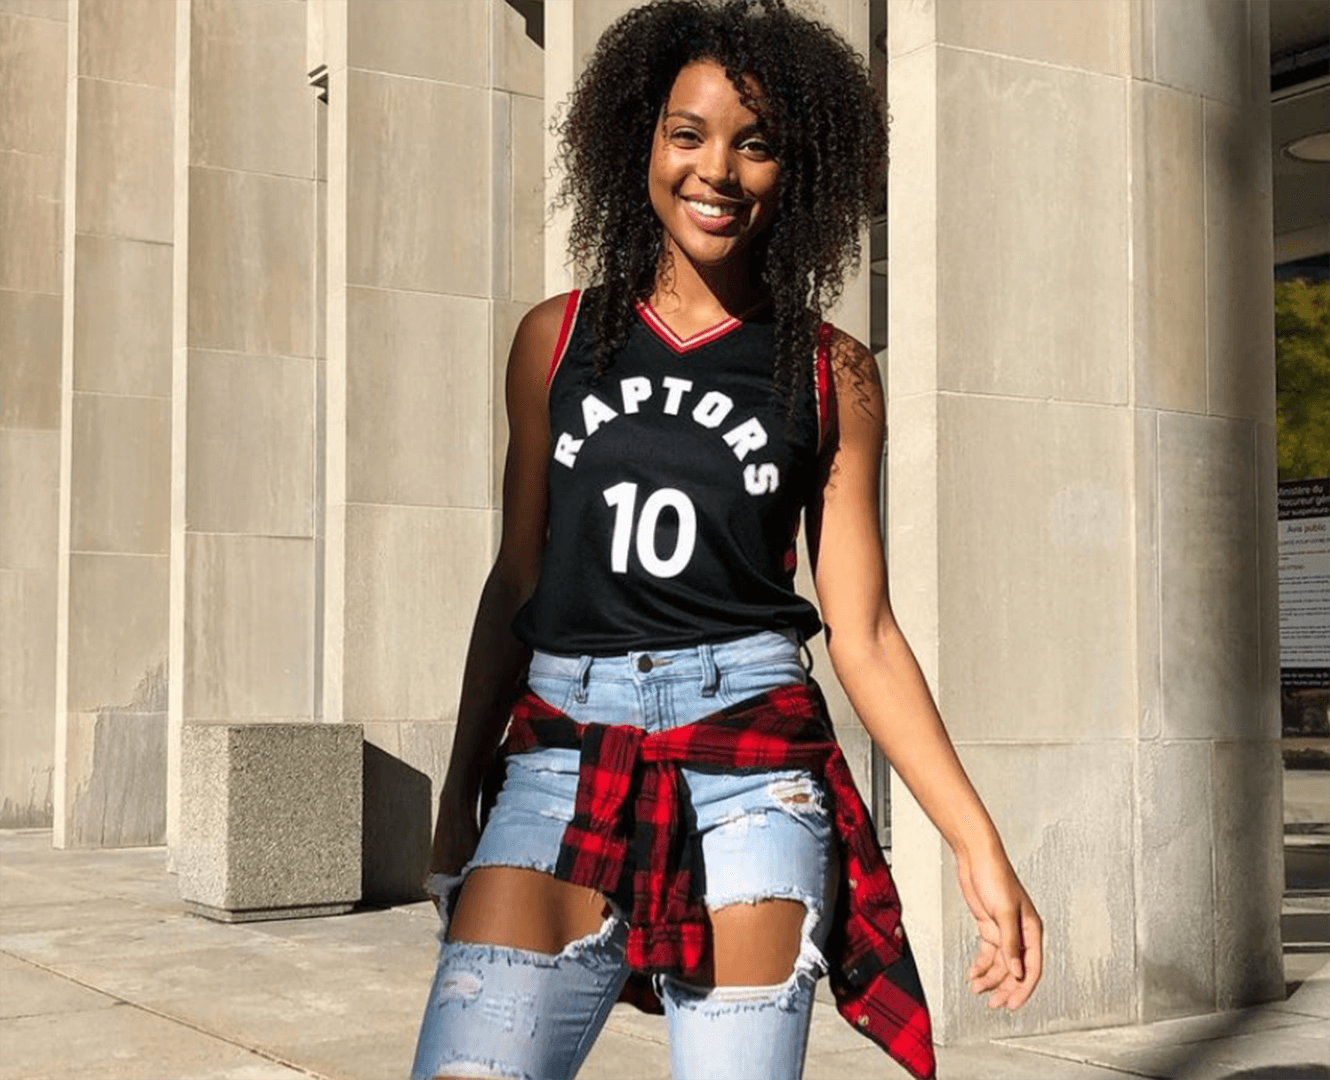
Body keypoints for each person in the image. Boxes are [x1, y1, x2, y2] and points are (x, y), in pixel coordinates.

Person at [411, 3, 1042, 1078]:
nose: (717, 169)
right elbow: (517, 577)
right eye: (687, 132)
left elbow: (867, 631)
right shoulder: (554, 340)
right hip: (563, 745)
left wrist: (976, 844)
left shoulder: (828, 368)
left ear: (795, 172)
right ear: (641, 143)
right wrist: (456, 787)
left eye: (756, 144)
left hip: (750, 760)